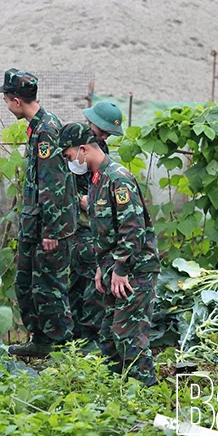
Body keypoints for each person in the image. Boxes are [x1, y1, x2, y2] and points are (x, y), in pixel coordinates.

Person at [58, 122, 160, 386]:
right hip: (114, 268)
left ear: (82, 149)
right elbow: (105, 230)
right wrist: (103, 268)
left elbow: (133, 230)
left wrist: (121, 269)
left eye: (69, 156)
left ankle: (148, 393)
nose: (69, 161)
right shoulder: (96, 179)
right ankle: (116, 394)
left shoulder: (118, 178)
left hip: (136, 270)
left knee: (128, 336)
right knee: (108, 337)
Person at [0, 68, 78, 357]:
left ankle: (63, 349)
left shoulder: (46, 132)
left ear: (16, 101)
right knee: (28, 285)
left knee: (50, 289)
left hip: (48, 228)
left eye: (7, 100)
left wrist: (51, 232)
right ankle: (41, 341)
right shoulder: (38, 127)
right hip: (36, 225)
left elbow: (53, 186)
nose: (7, 107)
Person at [67, 102, 125, 346]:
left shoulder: (100, 151)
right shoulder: (74, 145)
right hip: (78, 226)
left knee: (93, 285)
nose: (103, 137)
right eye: (101, 131)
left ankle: (89, 339)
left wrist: (92, 203)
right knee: (78, 284)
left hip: (93, 228)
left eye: (106, 134)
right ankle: (78, 337)